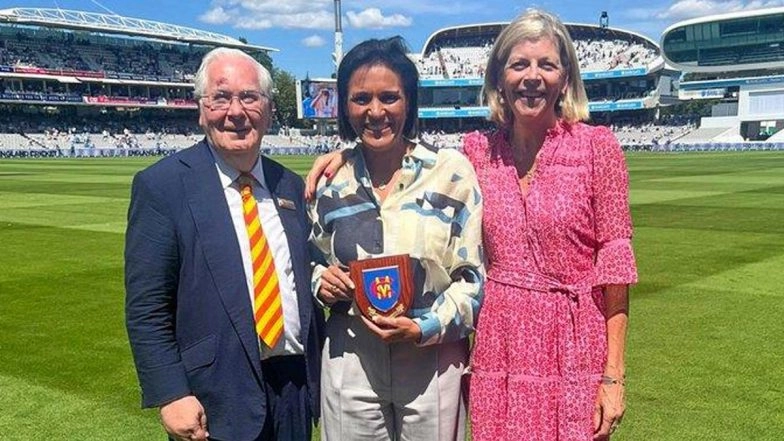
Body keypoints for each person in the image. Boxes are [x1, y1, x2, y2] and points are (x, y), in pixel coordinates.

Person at [305, 9, 637, 441]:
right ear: (499, 78)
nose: (532, 76)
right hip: (501, 346)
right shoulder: (477, 152)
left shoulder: (599, 149)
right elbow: (405, 155)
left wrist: (613, 377)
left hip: (571, 346)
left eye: (546, 65)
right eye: (519, 64)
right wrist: (345, 156)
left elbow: (615, 265)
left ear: (566, 76)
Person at [125, 47, 324, 441]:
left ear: (268, 110)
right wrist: (171, 393)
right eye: (221, 97)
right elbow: (147, 306)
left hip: (295, 391)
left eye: (249, 97)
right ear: (201, 109)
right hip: (213, 398)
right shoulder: (162, 186)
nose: (236, 111)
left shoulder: (291, 186)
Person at [308, 36, 484, 441]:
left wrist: (425, 326)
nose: (375, 112)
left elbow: (473, 278)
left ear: (409, 101)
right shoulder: (330, 181)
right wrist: (322, 282)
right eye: (360, 99)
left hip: (430, 354)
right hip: (350, 349)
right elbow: (308, 262)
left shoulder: (450, 171)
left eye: (389, 97)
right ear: (345, 105)